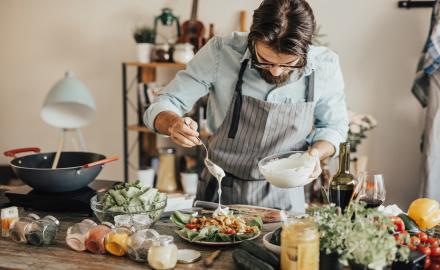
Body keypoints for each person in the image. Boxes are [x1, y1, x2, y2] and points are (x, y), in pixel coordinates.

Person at [145, 0, 348, 212]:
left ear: (306, 48)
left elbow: (334, 128)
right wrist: (173, 124)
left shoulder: (324, 65)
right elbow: (166, 101)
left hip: (286, 195)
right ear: (252, 38)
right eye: (264, 60)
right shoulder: (221, 52)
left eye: (289, 64)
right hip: (221, 190)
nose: (276, 72)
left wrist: (315, 154)